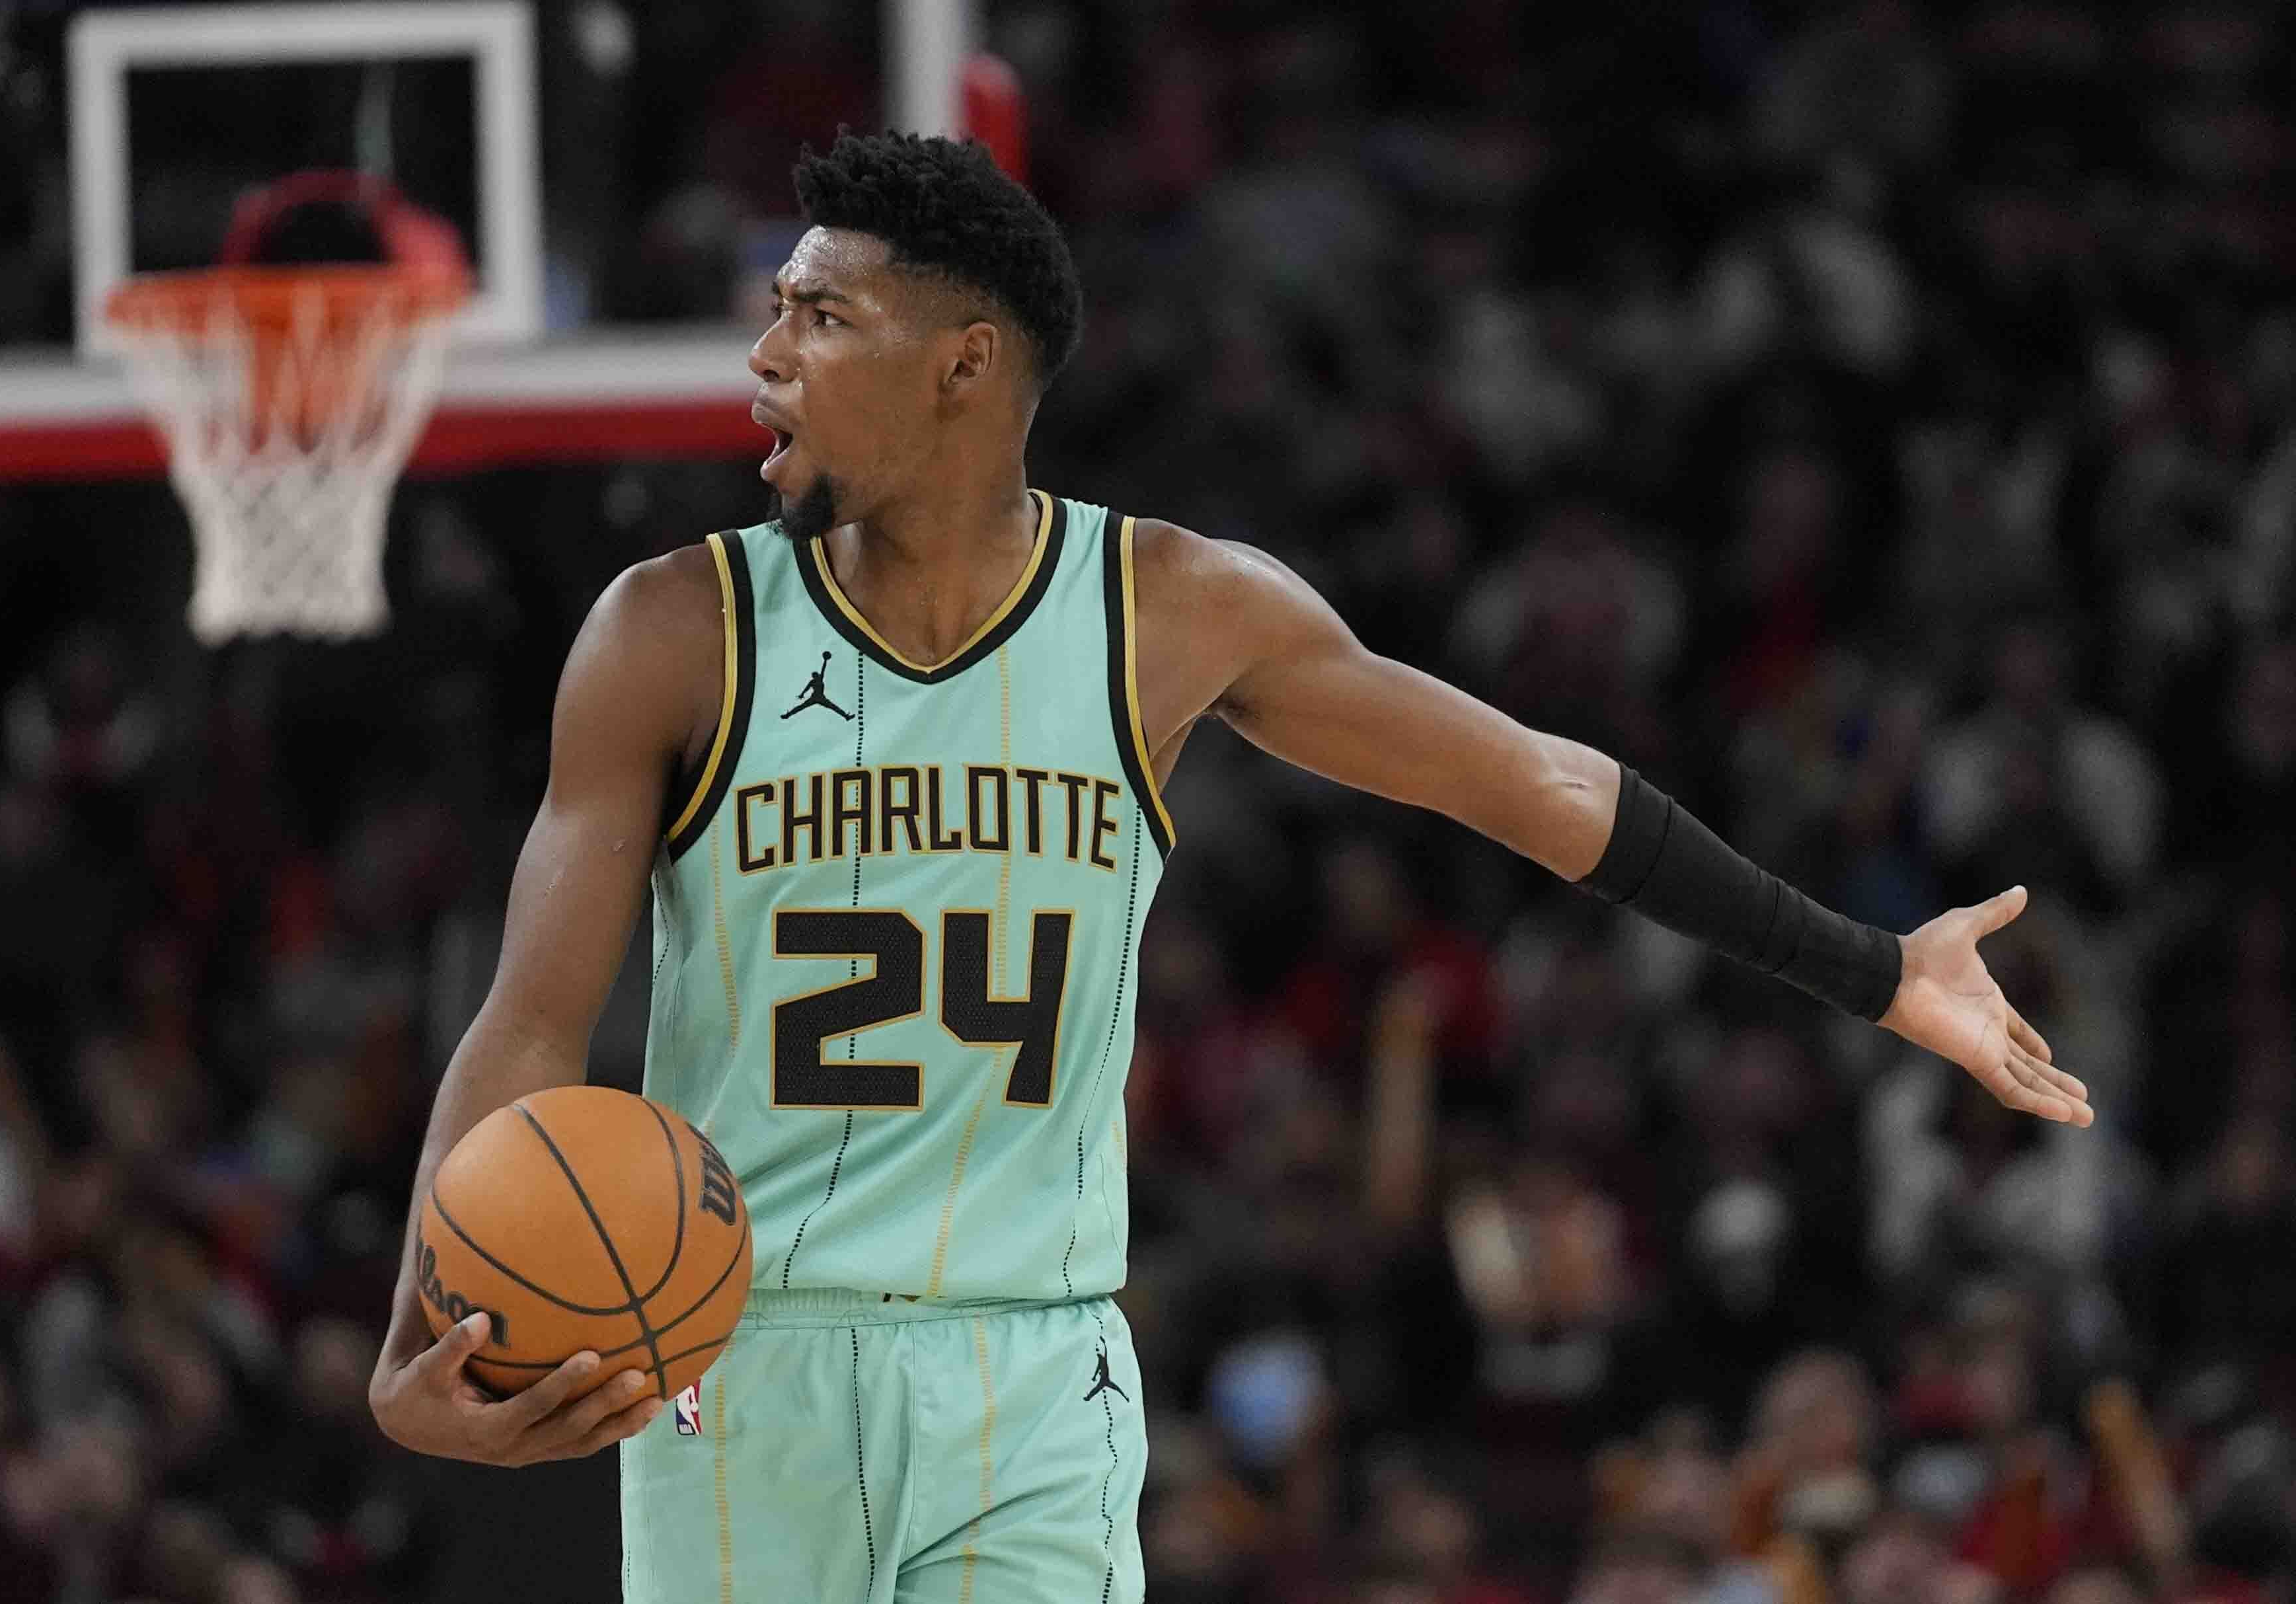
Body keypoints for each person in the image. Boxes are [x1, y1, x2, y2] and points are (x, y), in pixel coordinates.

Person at [366, 130, 2092, 1603]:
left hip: (1026, 1359)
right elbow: (530, 1020)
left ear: (964, 363)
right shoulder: (670, 629)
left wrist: (1872, 966)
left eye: (818, 316)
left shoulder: (1172, 612)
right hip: (735, 1357)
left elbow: (1541, 789)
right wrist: (423, 1323)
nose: (765, 357)